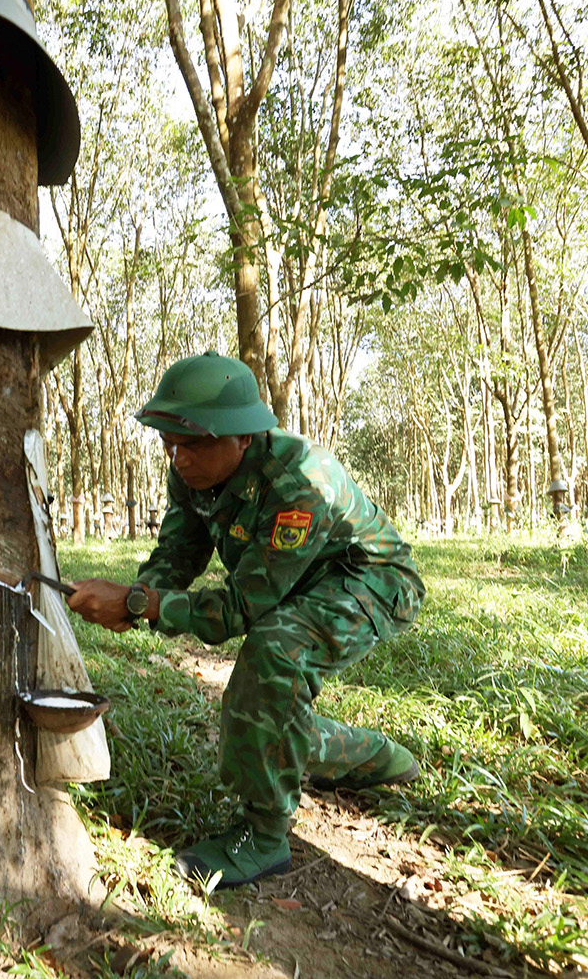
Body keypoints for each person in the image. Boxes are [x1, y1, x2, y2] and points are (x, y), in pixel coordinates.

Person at [66, 352, 425, 889]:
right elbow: (178, 552)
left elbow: (242, 607)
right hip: (295, 579)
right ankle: (374, 757)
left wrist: (142, 606)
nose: (178, 458)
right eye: (169, 444)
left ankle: (262, 838)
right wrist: (142, 593)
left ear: (243, 437)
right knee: (275, 699)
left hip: (369, 580)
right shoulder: (190, 473)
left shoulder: (299, 481)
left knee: (273, 652)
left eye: (193, 444)